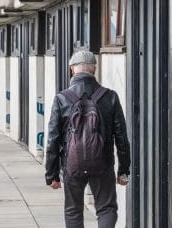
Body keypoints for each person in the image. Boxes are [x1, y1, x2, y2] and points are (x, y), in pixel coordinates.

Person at [45, 50, 131, 228]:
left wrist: (51, 174)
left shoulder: (62, 99)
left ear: (72, 70)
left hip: (72, 165)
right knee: (106, 209)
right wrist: (123, 170)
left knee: (73, 210)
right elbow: (121, 137)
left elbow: (53, 138)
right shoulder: (110, 97)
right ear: (94, 70)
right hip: (103, 164)